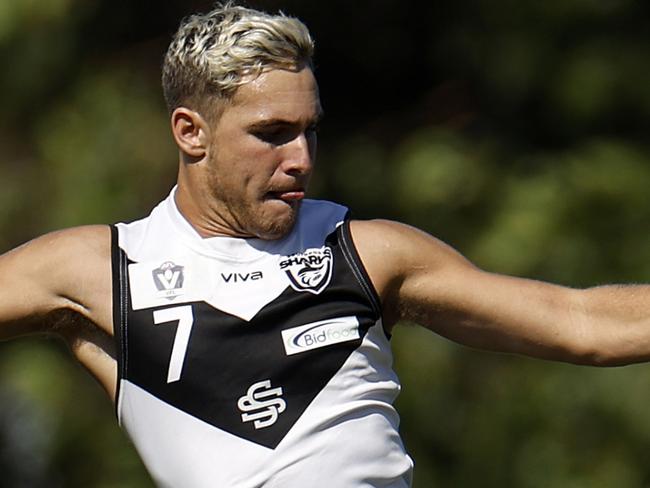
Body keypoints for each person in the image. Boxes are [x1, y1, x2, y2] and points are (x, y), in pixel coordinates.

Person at [0, 3, 648, 487]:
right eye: (272, 133)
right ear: (191, 133)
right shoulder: (101, 271)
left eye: (310, 130)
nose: (301, 158)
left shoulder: (369, 254)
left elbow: (582, 323)